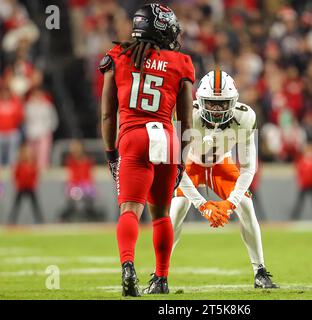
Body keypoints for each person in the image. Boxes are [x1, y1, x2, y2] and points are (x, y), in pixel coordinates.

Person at [100, 4, 194, 297]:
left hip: (133, 137)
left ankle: (128, 265)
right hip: (165, 138)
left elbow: (107, 115)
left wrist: (110, 153)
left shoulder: (118, 56)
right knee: (162, 215)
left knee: (129, 209)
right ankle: (162, 278)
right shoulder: (181, 63)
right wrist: (180, 161)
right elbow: (186, 122)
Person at [170, 70, 279, 289]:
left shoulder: (245, 117)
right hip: (189, 163)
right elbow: (176, 168)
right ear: (200, 101)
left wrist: (230, 203)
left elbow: (249, 168)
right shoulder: (185, 115)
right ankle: (160, 273)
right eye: (211, 103)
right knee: (177, 209)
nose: (217, 110)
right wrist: (202, 206)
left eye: (222, 104)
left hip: (221, 163)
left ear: (234, 101)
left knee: (246, 206)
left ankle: (260, 271)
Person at [60, 140, 100, 222]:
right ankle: (66, 216)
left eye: (77, 147)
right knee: (73, 191)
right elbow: (70, 177)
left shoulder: (88, 160)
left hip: (85, 185)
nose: (75, 150)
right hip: (75, 186)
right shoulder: (70, 160)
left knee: (89, 190)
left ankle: (91, 215)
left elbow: (89, 177)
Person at [8, 143, 43, 224]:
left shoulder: (32, 164)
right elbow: (15, 175)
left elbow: (36, 174)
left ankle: (40, 221)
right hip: (21, 187)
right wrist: (17, 184)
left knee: (35, 206)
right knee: (16, 206)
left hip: (30, 187)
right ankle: (11, 221)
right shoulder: (19, 164)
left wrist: (34, 183)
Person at [290, 142, 312, 220]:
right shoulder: (302, 160)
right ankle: (294, 218)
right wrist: (301, 181)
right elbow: (299, 171)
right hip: (304, 184)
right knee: (299, 202)